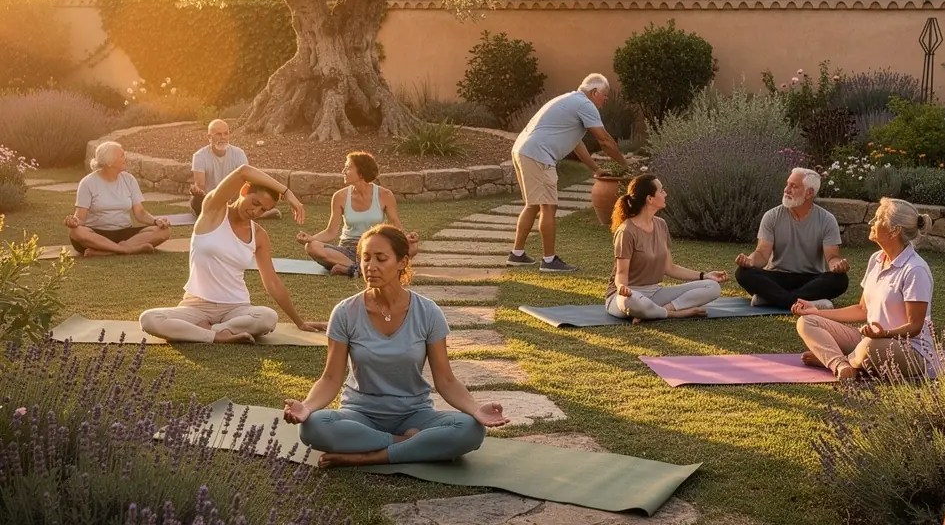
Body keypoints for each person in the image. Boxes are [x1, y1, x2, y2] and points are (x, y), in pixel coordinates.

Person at [283, 224, 508, 467]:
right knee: (313, 428)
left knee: (470, 430)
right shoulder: (345, 312)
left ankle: (372, 456)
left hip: (414, 414)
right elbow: (330, 379)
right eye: (366, 258)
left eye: (381, 258)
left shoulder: (428, 312)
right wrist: (306, 407)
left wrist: (476, 410)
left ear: (402, 262)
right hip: (360, 415)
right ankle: (406, 443)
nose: (371, 266)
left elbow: (446, 381)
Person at [139, 164, 327, 344]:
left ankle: (213, 330)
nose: (256, 211)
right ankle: (216, 335)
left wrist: (299, 322)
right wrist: (287, 192)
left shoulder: (259, 235)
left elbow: (272, 281)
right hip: (196, 306)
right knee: (149, 319)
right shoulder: (213, 211)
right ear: (244, 191)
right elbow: (243, 171)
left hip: (236, 309)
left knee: (268, 317)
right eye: (255, 203)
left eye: (264, 210)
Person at [793, 198, 936, 380]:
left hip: (908, 350)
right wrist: (817, 312)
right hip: (868, 340)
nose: (871, 223)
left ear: (895, 230)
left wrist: (885, 334)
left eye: (877, 219)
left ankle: (835, 360)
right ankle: (842, 365)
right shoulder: (877, 259)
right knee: (807, 322)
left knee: (869, 346)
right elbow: (862, 310)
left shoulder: (915, 269)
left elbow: (915, 326)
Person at [508, 73, 629, 274]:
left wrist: (596, 169)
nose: (606, 100)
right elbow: (605, 140)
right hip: (538, 154)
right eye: (604, 95)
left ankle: (517, 255)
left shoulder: (570, 100)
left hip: (522, 150)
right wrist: (624, 163)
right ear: (594, 92)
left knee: (533, 204)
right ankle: (549, 261)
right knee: (548, 207)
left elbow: (577, 145)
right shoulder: (585, 104)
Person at [606, 174, 727, 322]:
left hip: (654, 292)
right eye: (661, 190)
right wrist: (623, 289)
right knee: (629, 302)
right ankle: (676, 313)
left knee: (712, 287)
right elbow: (621, 273)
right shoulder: (626, 231)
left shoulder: (661, 224)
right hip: (627, 294)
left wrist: (705, 275)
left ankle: (661, 309)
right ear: (649, 199)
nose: (665, 194)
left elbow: (669, 268)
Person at [734, 168, 850, 309]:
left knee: (840, 280)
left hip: (810, 279)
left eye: (793, 186)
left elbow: (832, 257)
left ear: (810, 193)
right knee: (743, 273)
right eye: (787, 184)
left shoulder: (827, 220)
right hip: (777, 277)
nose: (786, 190)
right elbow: (762, 254)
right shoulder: (771, 216)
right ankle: (803, 301)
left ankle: (772, 299)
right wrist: (750, 261)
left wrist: (837, 266)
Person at [296, 152, 419, 276]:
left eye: (348, 167)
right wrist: (310, 239)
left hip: (375, 247)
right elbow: (331, 232)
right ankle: (359, 268)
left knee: (413, 249)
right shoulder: (340, 196)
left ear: (361, 172)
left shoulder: (385, 195)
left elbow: (395, 224)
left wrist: (406, 238)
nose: (343, 171)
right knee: (311, 247)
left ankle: (353, 268)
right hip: (347, 250)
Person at [65, 141, 172, 256]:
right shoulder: (87, 183)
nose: (125, 158)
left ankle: (106, 251)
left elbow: (140, 212)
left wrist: (156, 221)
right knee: (75, 232)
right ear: (109, 163)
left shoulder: (129, 180)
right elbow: (80, 217)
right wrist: (74, 222)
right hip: (96, 234)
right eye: (121, 155)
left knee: (164, 231)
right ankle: (127, 250)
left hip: (124, 234)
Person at [189, 119, 279, 218]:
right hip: (211, 201)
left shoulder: (238, 154)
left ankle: (228, 214)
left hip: (234, 201)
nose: (223, 137)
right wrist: (198, 192)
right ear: (209, 137)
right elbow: (200, 185)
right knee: (196, 201)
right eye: (218, 134)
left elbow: (247, 182)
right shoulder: (199, 156)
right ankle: (241, 215)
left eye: (226, 134)